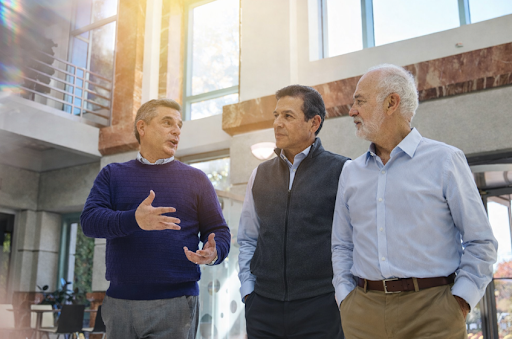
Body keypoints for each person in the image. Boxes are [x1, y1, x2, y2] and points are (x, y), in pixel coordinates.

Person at [332, 64, 498, 339]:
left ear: (391, 103)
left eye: (359, 101)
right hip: (362, 313)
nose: (352, 111)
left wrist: (460, 302)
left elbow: (480, 241)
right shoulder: (351, 172)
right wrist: (345, 298)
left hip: (434, 314)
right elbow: (342, 244)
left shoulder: (445, 161)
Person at [81, 99, 231, 339]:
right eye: (167, 122)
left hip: (177, 305)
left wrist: (215, 251)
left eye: (179, 125)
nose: (176, 130)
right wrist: (134, 220)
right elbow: (89, 222)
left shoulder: (197, 180)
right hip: (120, 304)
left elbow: (219, 230)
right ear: (142, 127)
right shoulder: (112, 174)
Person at [238, 85, 349, 339]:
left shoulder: (343, 170)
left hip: (321, 306)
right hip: (263, 306)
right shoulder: (260, 174)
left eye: (287, 116)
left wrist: (342, 294)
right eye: (276, 116)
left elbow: (352, 241)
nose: (277, 123)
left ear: (314, 122)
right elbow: (247, 238)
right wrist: (248, 289)